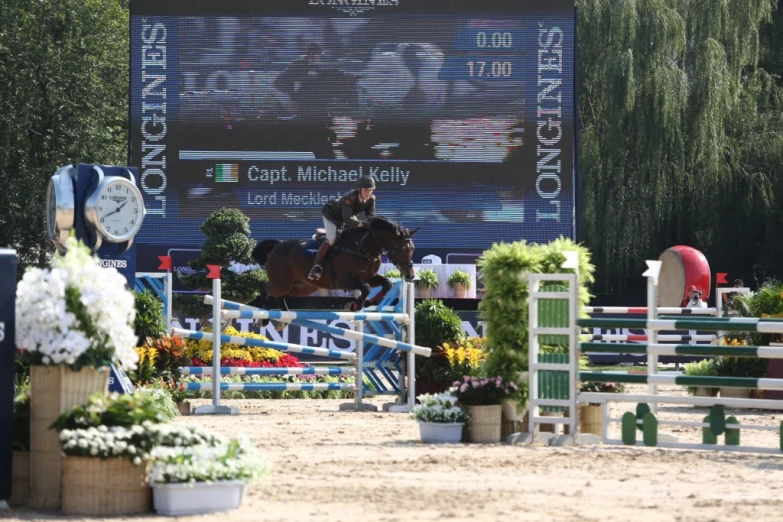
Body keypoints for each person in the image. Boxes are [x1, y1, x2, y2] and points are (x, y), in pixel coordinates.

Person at [308, 175, 377, 281]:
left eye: (371, 190)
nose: (368, 192)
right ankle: (316, 266)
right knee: (332, 238)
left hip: (347, 216)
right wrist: (361, 224)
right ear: (359, 189)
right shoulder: (349, 198)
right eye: (366, 190)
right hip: (332, 215)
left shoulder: (371, 199)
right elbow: (348, 219)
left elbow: (371, 217)